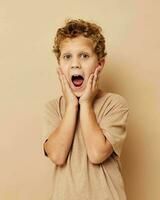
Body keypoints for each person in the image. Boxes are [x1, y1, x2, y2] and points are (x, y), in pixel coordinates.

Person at [41, 18, 129, 200]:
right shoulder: (53, 108)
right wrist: (72, 105)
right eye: (67, 57)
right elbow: (57, 155)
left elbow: (97, 154)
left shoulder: (114, 104)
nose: (75, 64)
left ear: (100, 64)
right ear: (60, 65)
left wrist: (86, 104)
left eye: (84, 56)